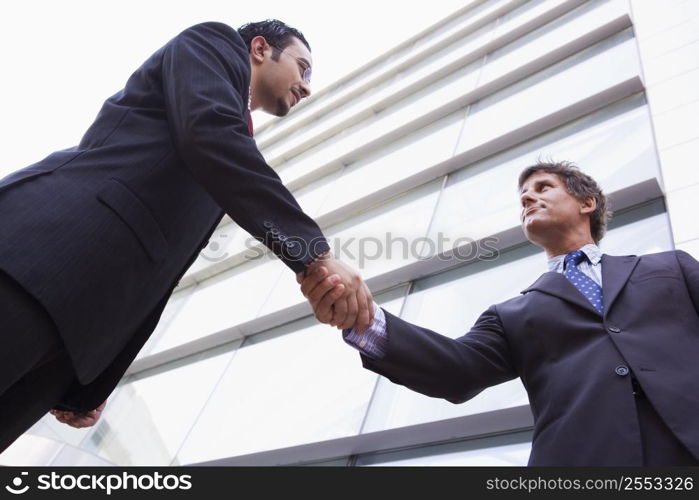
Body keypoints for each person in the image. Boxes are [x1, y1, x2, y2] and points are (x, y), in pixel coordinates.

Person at [0, 19, 372, 451]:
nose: (307, 87)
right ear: (258, 48)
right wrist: (316, 255)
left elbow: (160, 272)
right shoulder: (212, 45)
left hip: (73, 338)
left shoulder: (227, 139)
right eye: (303, 68)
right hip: (39, 260)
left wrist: (94, 377)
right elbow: (210, 135)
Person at [300, 161, 699, 466]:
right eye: (523, 196)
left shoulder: (670, 267)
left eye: (543, 188)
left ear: (586, 203)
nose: (527, 198)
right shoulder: (511, 314)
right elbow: (455, 370)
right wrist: (362, 318)